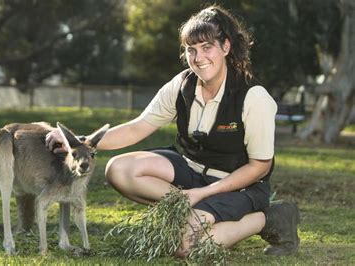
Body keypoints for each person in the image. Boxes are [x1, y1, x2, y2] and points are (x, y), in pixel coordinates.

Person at [46, 4, 300, 257]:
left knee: (188, 248)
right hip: (190, 171)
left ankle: (269, 218)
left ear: (226, 47)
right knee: (118, 169)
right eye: (191, 50)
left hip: (237, 185)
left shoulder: (253, 97)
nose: (198, 58)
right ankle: (193, 213)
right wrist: (79, 143)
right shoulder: (182, 84)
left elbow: (260, 166)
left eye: (207, 47)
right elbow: (138, 128)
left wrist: (202, 194)